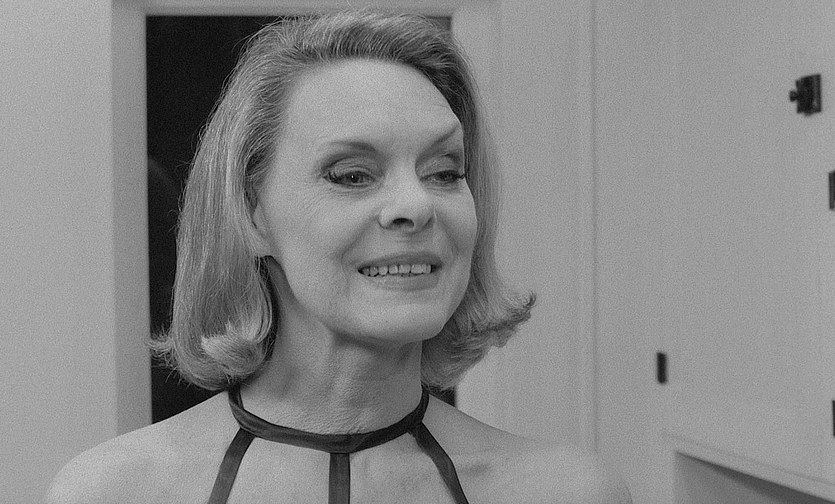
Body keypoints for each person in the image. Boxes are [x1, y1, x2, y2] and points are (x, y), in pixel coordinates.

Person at [47, 10, 630, 504]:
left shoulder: (569, 492)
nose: (416, 205)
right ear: (250, 214)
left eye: (444, 172)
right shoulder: (113, 492)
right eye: (352, 175)